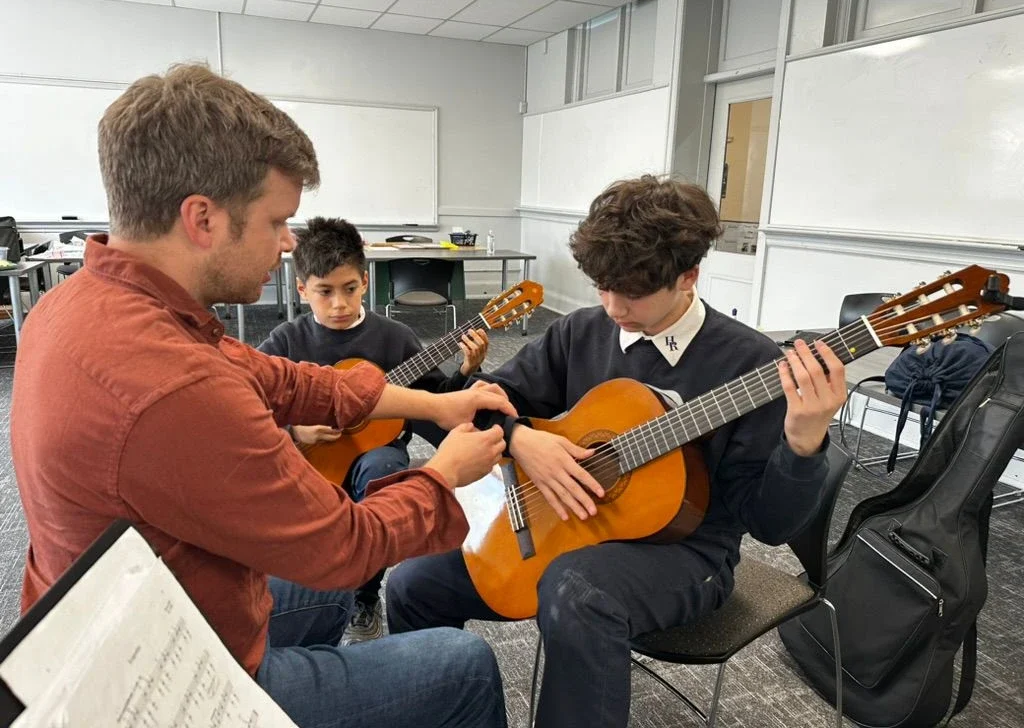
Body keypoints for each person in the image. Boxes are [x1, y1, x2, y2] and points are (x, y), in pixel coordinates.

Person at [11, 64, 513, 728]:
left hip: (127, 623)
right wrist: (445, 475)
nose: (287, 243)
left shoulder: (87, 304)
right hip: (171, 683)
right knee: (464, 666)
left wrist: (434, 406)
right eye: (277, 220)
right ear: (202, 219)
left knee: (325, 599)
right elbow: (347, 544)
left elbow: (291, 382)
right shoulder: (178, 388)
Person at [386, 175, 847, 728]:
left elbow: (769, 525)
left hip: (690, 553)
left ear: (688, 276)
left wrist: (803, 444)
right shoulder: (581, 332)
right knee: (413, 582)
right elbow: (482, 404)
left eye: (630, 292)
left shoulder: (751, 363)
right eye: (601, 286)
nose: (611, 306)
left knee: (578, 592)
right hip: (565, 522)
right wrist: (522, 440)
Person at [258, 216, 490, 644]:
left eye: (349, 289)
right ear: (302, 289)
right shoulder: (285, 342)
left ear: (365, 281)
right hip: (308, 459)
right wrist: (296, 432)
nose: (339, 304)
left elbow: (437, 402)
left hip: (376, 455)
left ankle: (365, 595)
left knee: (383, 469)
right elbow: (248, 411)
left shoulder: (394, 337)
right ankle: (312, 600)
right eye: (324, 292)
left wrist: (465, 370)